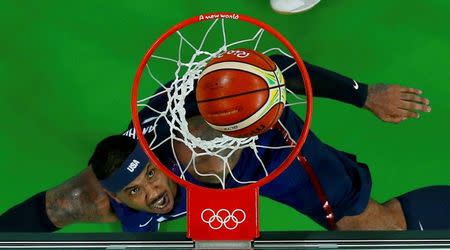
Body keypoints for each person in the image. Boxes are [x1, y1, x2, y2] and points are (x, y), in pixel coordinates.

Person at [0, 54, 438, 233]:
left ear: (155, 158)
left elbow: (276, 68)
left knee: (373, 229)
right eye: (132, 193)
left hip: (263, 151)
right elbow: (53, 210)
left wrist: (364, 95)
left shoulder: (217, 105)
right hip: (203, 174)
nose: (152, 194)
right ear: (114, 197)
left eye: (148, 177)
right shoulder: (100, 194)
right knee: (69, 202)